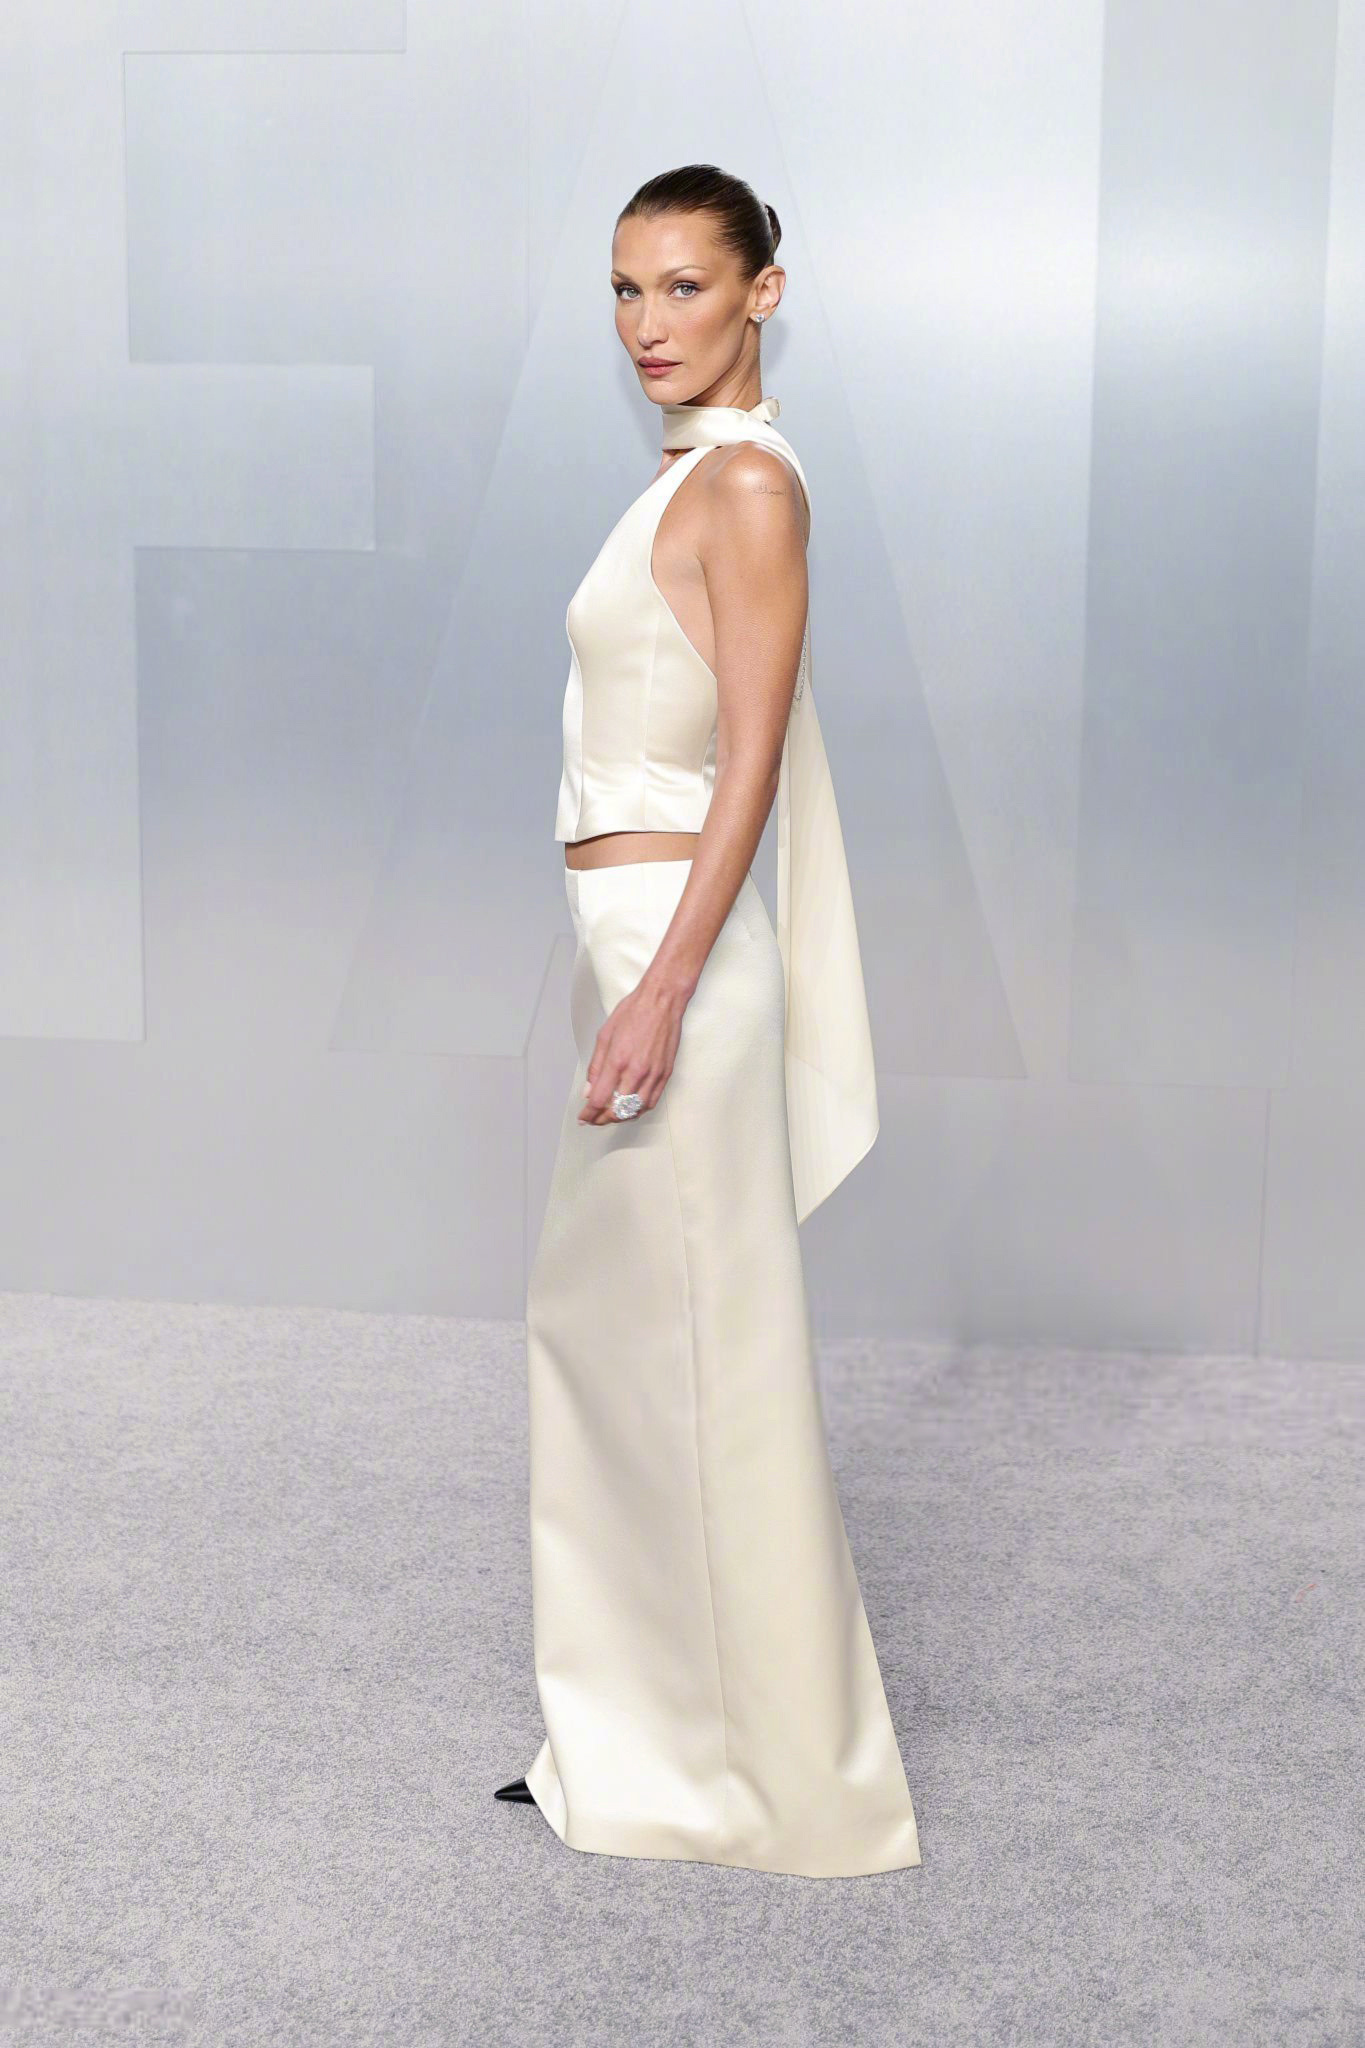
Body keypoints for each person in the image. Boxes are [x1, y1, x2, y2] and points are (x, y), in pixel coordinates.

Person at [497, 163, 921, 1878]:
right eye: (624, 289)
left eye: (683, 286)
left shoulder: (745, 487)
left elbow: (750, 757)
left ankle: (781, 1784)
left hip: (676, 965)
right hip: (634, 948)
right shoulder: (687, 477)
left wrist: (664, 985)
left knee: (703, 1373)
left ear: (763, 292)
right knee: (622, 1360)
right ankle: (643, 1743)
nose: (646, 323)